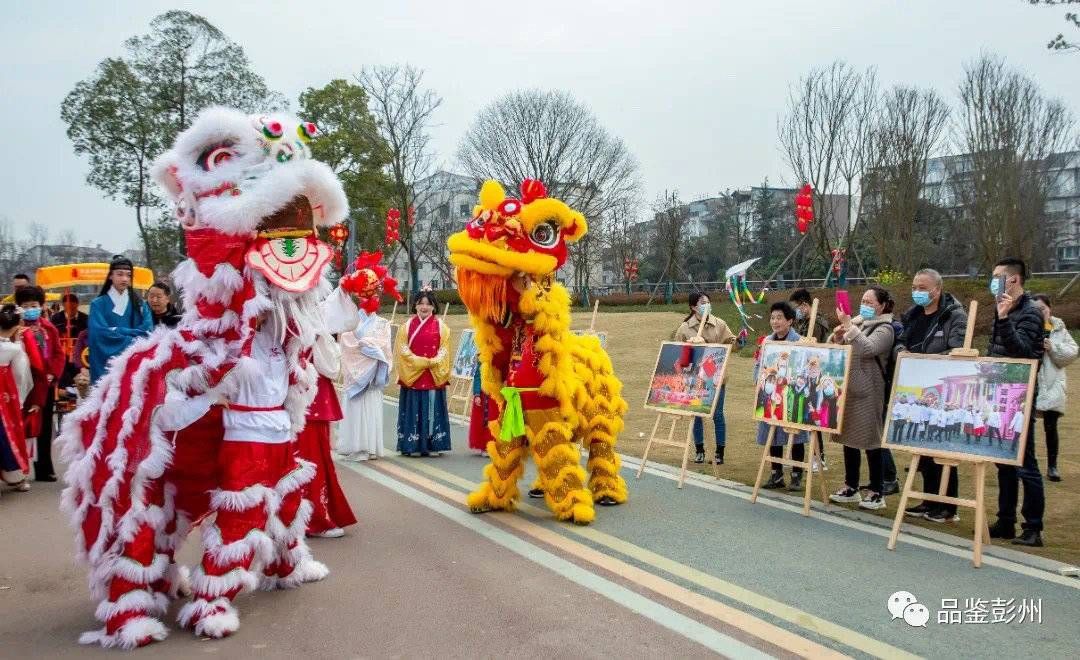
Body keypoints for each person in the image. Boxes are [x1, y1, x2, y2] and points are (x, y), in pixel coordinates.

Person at [895, 269, 969, 522]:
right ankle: (929, 500)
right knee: (923, 449)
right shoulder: (913, 315)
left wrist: (932, 361)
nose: (917, 291)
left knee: (942, 448)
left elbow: (957, 349)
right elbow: (900, 342)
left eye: (923, 287)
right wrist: (902, 352)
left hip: (942, 388)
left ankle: (947, 506)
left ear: (937, 289)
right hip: (917, 386)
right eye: (915, 286)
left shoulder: (953, 315)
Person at [986, 258, 1046, 547]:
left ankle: (1033, 526)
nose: (993, 281)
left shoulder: (1030, 313)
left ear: (1014, 280)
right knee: (1003, 462)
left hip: (1020, 395)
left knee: (1025, 462)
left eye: (998, 277)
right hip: (999, 391)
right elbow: (995, 350)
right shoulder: (1002, 309)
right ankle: (1005, 520)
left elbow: (1021, 351)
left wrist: (1005, 318)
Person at [829, 285, 895, 511]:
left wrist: (849, 326)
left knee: (871, 441)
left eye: (870, 303)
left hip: (870, 391)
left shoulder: (885, 329)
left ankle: (877, 490)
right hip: (850, 389)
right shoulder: (858, 323)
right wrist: (838, 336)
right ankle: (851, 485)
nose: (864, 306)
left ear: (882, 305)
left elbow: (868, 349)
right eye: (863, 301)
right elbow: (838, 348)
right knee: (848, 438)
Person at [297, 332, 357, 538]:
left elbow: (331, 368)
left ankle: (305, 518)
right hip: (294, 397)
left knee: (309, 458)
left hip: (302, 397)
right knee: (310, 459)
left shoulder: (315, 324)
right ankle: (309, 520)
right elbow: (331, 367)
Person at [674, 292, 735, 465]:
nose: (706, 305)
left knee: (718, 414)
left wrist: (737, 341)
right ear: (693, 307)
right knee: (697, 414)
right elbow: (679, 353)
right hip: (695, 379)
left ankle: (719, 452)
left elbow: (730, 343)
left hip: (716, 377)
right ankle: (699, 449)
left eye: (708, 302)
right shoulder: (685, 328)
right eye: (702, 303)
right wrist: (693, 348)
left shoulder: (719, 323)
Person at [756, 302, 808, 491]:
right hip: (771, 393)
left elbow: (803, 369)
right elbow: (759, 366)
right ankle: (776, 473)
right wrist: (759, 381)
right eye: (772, 317)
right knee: (773, 433)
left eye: (779, 318)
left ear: (790, 321)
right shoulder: (767, 342)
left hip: (792, 394)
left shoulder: (800, 343)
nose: (775, 321)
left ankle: (797, 474)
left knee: (795, 433)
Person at [15, 285, 65, 482]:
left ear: (42, 305)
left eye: (34, 305)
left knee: (44, 427)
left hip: (44, 383)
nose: (30, 309)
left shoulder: (48, 327)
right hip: (21, 383)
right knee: (21, 426)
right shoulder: (15, 328)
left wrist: (53, 373)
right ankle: (19, 470)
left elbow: (58, 354)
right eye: (25, 306)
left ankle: (44, 468)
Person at [396, 292, 451, 456]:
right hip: (414, 374)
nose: (424, 307)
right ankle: (411, 445)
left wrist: (433, 362)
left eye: (428, 304)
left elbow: (444, 350)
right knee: (413, 407)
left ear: (434, 306)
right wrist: (420, 362)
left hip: (433, 373)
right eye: (421, 303)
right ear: (415, 306)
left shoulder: (442, 327)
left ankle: (433, 444)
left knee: (432, 408)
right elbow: (403, 350)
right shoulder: (405, 327)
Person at [338, 306, 394, 461]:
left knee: (371, 405)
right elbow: (345, 342)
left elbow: (385, 346)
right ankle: (355, 446)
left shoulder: (383, 323)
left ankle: (371, 447)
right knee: (356, 407)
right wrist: (370, 345)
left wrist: (366, 344)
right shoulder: (350, 322)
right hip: (355, 371)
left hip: (374, 371)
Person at [1031, 293, 1076, 483]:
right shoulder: (1029, 326)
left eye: (1043, 309)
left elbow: (1072, 353)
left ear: (1049, 308)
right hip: (1032, 383)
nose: (1040, 313)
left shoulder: (1059, 328)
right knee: (1026, 428)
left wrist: (1053, 347)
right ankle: (1025, 465)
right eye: (1035, 309)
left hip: (1052, 384)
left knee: (1051, 426)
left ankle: (1052, 466)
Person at [87, 256, 152, 384]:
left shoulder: (140, 304)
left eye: (128, 275)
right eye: (120, 274)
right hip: (107, 363)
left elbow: (148, 331)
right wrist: (133, 338)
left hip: (134, 361)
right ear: (110, 276)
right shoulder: (98, 304)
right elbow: (99, 335)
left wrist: (118, 330)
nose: (124, 279)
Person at [0, 305, 32, 494]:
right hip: (4, 393)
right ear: (16, 326)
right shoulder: (13, 349)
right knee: (7, 433)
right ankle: (15, 476)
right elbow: (21, 375)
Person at [50, 293, 88, 387]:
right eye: (68, 308)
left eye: (73, 308)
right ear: (63, 306)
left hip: (80, 352)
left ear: (77, 305)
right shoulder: (55, 318)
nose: (70, 311)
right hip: (62, 352)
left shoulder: (86, 318)